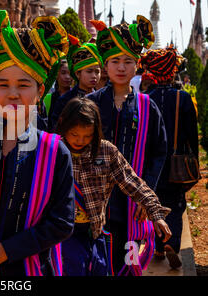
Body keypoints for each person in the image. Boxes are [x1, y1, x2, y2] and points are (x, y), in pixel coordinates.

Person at [0, 10, 75, 277]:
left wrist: (5, 250)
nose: (12, 93)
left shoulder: (54, 152)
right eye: (3, 84)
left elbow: (62, 222)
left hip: (28, 270)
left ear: (40, 91)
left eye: (23, 84)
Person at [87, 16, 168, 276]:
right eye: (115, 62)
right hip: (95, 198)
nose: (121, 68)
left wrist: (147, 194)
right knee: (96, 261)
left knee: (129, 261)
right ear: (105, 65)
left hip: (133, 204)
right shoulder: (90, 105)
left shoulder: (148, 107)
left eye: (128, 62)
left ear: (137, 66)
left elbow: (158, 151)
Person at [55, 97, 171, 276]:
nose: (80, 140)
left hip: (94, 231)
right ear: (63, 126)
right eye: (74, 134)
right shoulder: (53, 150)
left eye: (87, 136)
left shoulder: (106, 151)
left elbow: (132, 182)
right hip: (61, 234)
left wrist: (155, 213)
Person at [140, 47, 198, 269]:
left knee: (155, 203)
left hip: (150, 163)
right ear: (173, 73)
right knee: (176, 203)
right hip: (176, 163)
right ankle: (172, 242)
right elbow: (192, 132)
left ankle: (157, 246)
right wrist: (192, 154)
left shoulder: (144, 98)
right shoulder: (182, 98)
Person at [48, 34, 103, 131]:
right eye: (89, 71)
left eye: (97, 72)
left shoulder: (103, 98)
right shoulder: (65, 100)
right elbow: (55, 129)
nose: (94, 76)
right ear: (78, 74)